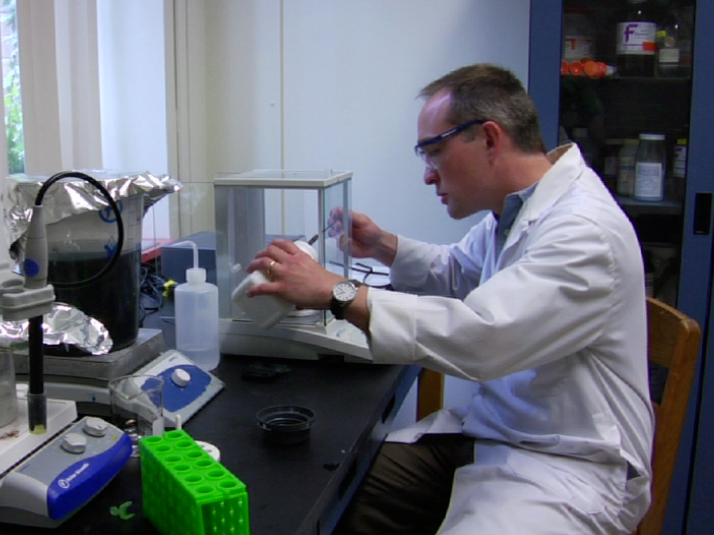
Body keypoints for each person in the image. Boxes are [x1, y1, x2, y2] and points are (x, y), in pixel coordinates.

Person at [244, 63, 652, 535]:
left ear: (490, 139)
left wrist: (335, 291)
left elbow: (483, 338)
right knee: (344, 493)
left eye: (434, 152)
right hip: (501, 432)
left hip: (568, 463)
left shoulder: (583, 232)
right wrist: (380, 243)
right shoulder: (518, 208)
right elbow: (458, 271)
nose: (427, 176)